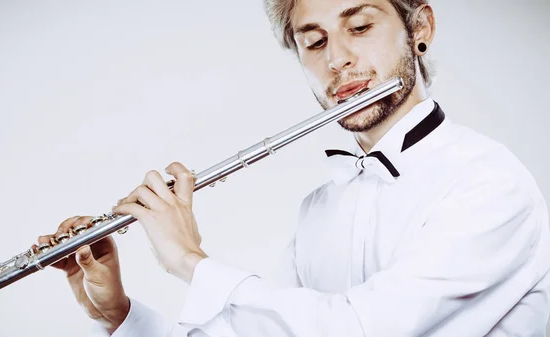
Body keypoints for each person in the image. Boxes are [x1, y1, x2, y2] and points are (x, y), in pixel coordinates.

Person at [37, 0, 550, 336]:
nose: (338, 60)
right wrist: (119, 313)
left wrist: (188, 257)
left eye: (361, 26)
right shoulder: (322, 208)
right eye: (315, 41)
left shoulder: (488, 183)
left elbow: (360, 330)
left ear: (420, 29)